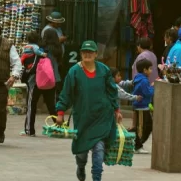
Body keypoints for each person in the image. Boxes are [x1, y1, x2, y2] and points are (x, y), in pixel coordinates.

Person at [56, 40, 123, 181]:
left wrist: (117, 110)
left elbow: (112, 92)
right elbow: (66, 93)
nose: (88, 54)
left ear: (96, 54)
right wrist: (60, 113)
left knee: (99, 151)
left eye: (90, 52)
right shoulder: (74, 72)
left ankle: (96, 178)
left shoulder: (104, 70)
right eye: (85, 52)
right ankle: (81, 167)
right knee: (82, 154)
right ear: (81, 54)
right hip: (83, 118)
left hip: (102, 117)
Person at [132, 58, 155, 154]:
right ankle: (137, 145)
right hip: (141, 107)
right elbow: (148, 93)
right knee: (141, 127)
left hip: (143, 106)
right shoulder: (143, 81)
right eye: (150, 69)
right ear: (145, 70)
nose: (151, 71)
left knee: (148, 125)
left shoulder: (140, 79)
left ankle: (138, 144)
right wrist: (153, 87)